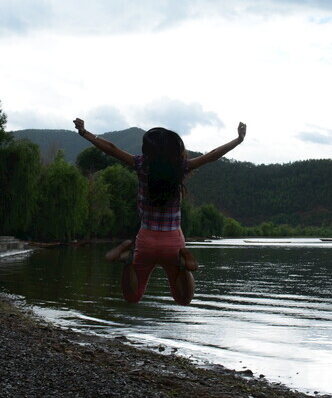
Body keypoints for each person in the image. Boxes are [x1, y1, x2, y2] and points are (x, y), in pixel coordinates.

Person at [73, 118, 246, 305]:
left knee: (132, 296)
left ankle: (127, 262)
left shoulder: (141, 164)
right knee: (184, 299)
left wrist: (85, 132)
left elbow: (111, 149)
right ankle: (184, 266)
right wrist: (238, 139)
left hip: (146, 240)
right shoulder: (180, 166)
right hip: (173, 243)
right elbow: (212, 155)